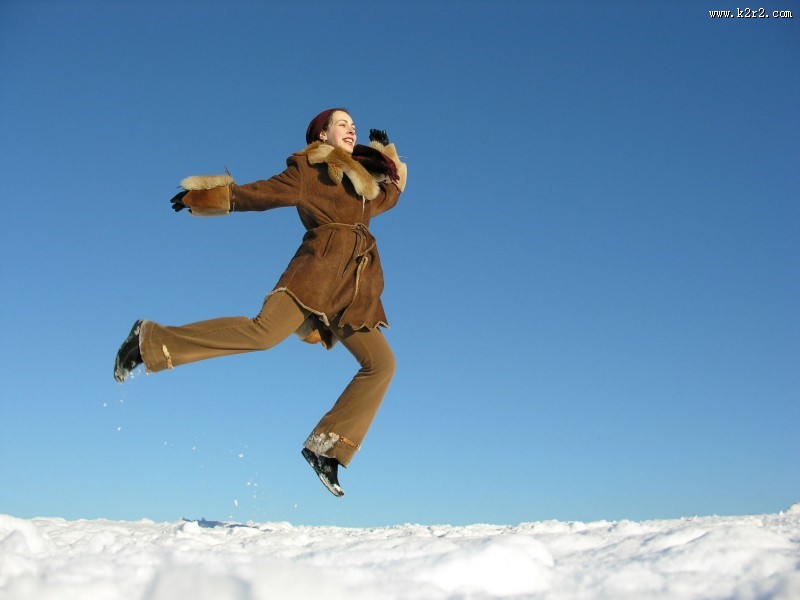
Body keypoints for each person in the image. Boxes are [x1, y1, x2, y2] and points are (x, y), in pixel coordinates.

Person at [113, 108, 407, 497]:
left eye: (354, 126)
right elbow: (259, 193)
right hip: (314, 277)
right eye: (342, 124)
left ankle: (327, 447)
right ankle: (149, 340)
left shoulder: (365, 186)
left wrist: (385, 152)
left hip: (352, 292)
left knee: (382, 364)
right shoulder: (309, 170)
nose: (351, 129)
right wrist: (204, 196)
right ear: (322, 135)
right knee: (263, 334)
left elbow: (393, 192)